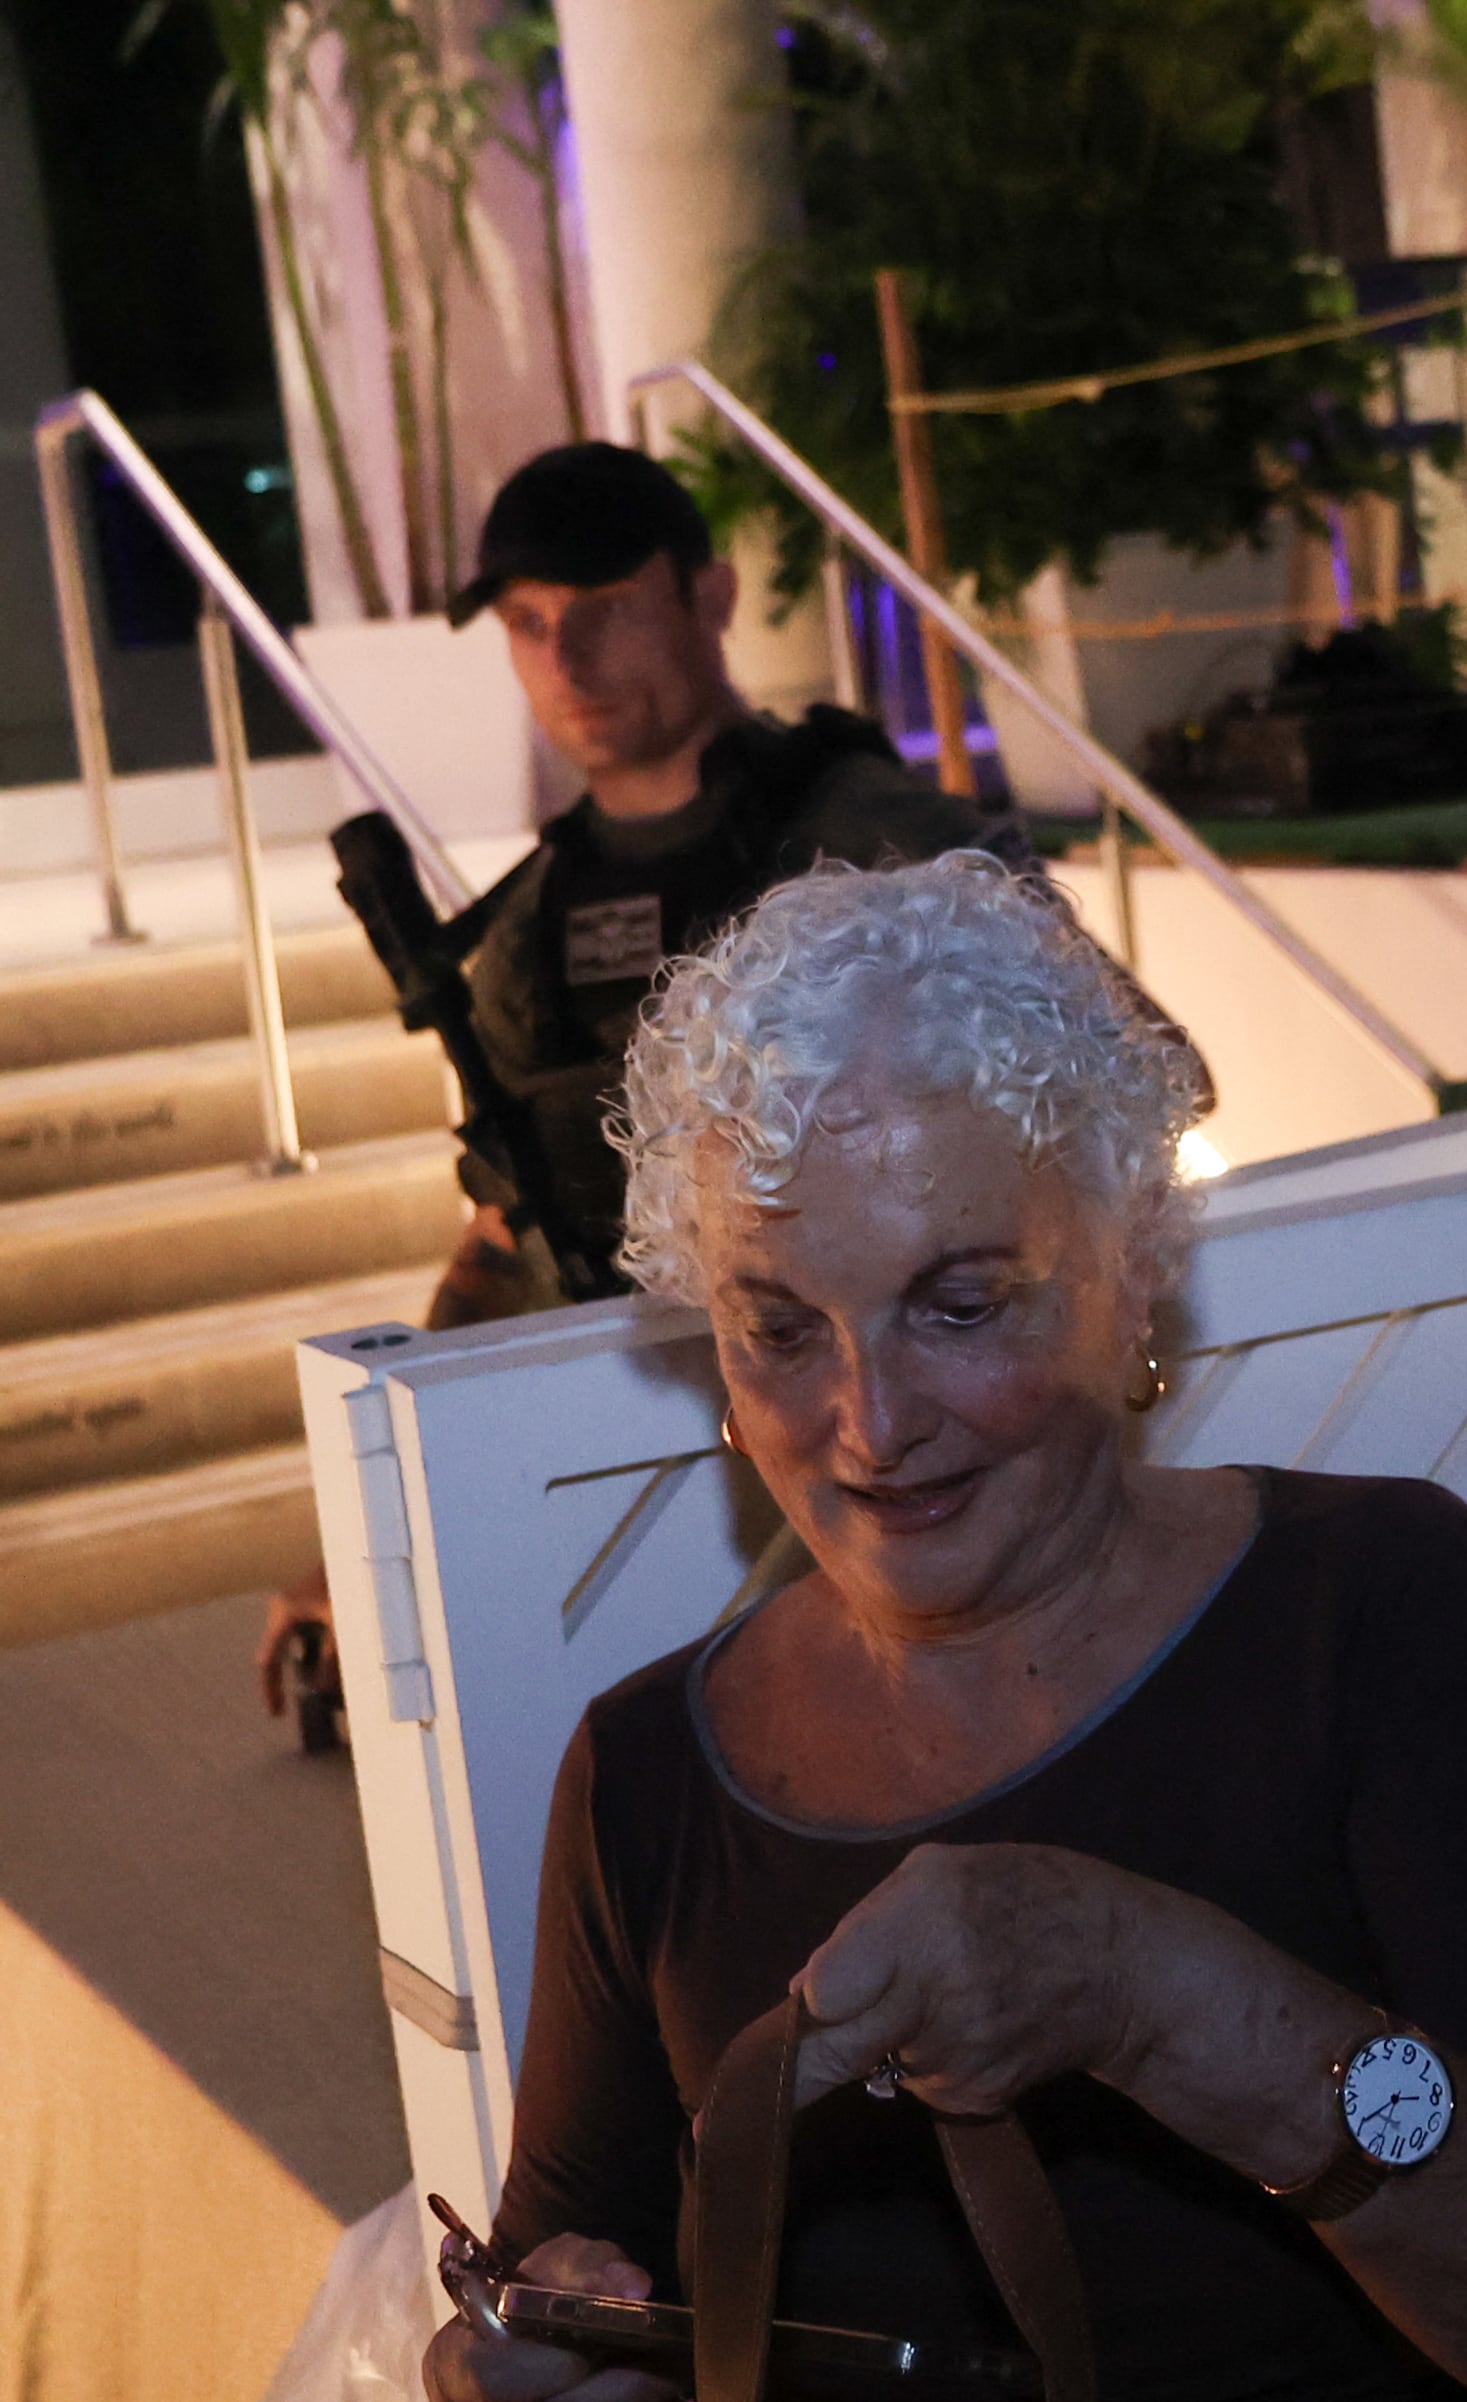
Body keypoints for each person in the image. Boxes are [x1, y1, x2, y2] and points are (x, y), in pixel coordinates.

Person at [419, 857, 1467, 2402]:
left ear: (1131, 1272)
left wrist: (1158, 1996)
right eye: (782, 1324)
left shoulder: (1373, 1613)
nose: (868, 1423)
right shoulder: (647, 1778)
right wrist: (550, 2389)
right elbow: (591, 2304)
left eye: (959, 1303)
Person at [261, 443, 1015, 1712]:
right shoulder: (524, 933)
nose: (568, 660)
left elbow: (1119, 1094)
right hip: (638, 1499)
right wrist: (373, 1540)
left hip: (908, 1468)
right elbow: (504, 1236)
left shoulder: (872, 843)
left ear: (710, 600)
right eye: (529, 624)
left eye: (605, 611)